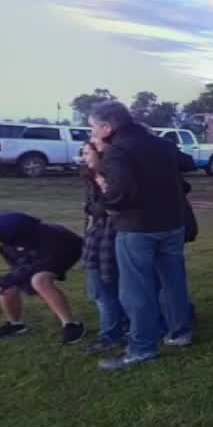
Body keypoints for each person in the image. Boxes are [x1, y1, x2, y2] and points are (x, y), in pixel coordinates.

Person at [90, 100, 198, 370]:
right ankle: (180, 333)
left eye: (93, 127)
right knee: (173, 282)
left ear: (106, 126)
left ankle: (141, 349)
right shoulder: (160, 143)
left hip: (136, 228)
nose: (92, 132)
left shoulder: (117, 150)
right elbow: (188, 164)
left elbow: (120, 191)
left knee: (137, 290)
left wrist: (100, 204)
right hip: (172, 224)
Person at [0, 212, 85, 344]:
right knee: (8, 286)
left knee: (39, 280)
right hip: (36, 257)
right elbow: (17, 264)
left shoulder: (51, 237)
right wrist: (11, 281)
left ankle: (71, 325)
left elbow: (38, 264)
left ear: (13, 235)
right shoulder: (4, 241)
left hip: (65, 252)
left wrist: (6, 281)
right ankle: (16, 325)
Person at [80, 141, 129, 354]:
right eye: (82, 153)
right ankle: (122, 326)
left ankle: (111, 335)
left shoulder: (109, 179)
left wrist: (96, 206)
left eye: (87, 153)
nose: (84, 158)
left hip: (108, 237)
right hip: (98, 235)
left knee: (102, 290)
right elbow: (93, 209)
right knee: (109, 287)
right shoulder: (94, 179)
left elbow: (108, 208)